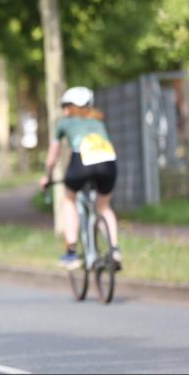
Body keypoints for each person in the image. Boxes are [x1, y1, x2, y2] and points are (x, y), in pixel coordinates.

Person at [39, 86, 121, 270]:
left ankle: (71, 251)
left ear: (70, 107)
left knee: (68, 199)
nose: (64, 110)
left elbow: (52, 157)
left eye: (65, 106)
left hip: (82, 161)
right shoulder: (99, 122)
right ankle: (114, 249)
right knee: (104, 206)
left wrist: (47, 177)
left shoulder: (64, 123)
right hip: (109, 162)